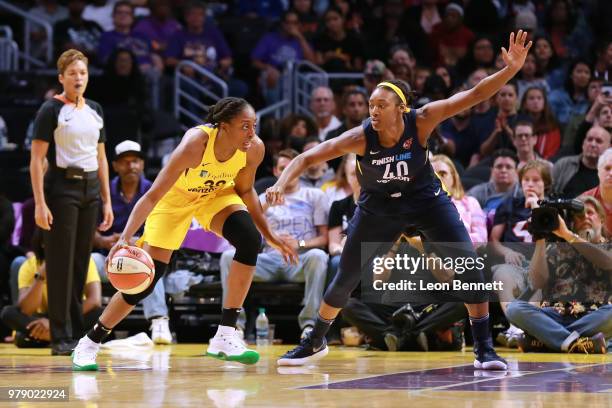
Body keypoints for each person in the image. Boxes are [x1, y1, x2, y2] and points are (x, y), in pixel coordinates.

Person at [267, 31, 533, 368]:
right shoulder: (361, 137)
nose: (373, 111)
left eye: (381, 105)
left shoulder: (421, 121)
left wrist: (510, 70)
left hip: (427, 202)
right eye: (370, 105)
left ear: (400, 108)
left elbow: (474, 94)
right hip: (380, 208)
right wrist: (280, 181)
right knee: (345, 277)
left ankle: (484, 349)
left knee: (469, 269)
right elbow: (307, 158)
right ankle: (315, 340)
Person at [70, 97, 296, 371]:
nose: (252, 134)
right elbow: (153, 195)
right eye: (245, 126)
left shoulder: (253, 149)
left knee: (249, 239)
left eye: (254, 126)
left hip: (215, 196)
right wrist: (123, 238)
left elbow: (245, 191)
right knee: (144, 282)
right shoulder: (195, 144)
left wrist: (269, 235)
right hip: (174, 202)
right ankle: (89, 343)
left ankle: (225, 334)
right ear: (223, 126)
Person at [30, 49, 113, 356]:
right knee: (61, 264)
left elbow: (102, 157)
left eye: (83, 73)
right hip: (61, 188)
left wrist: (107, 200)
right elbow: (36, 160)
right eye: (73, 73)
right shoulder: (51, 110)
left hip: (91, 188)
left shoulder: (95, 109)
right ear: (61, 77)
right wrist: (40, 203)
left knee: (81, 262)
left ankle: (79, 333)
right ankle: (60, 335)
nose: (79, 78)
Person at [219, 148, 329, 339]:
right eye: (282, 168)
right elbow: (246, 232)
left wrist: (299, 243)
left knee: (319, 256)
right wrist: (267, 205)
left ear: (299, 170)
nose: (286, 172)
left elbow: (324, 238)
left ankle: (309, 325)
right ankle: (235, 325)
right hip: (268, 259)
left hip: (300, 260)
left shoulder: (314, 196)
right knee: (228, 257)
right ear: (276, 172)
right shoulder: (261, 199)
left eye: (291, 168)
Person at [506, 196, 611, 354]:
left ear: (602, 220)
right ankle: (575, 343)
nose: (586, 217)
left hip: (592, 316)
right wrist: (540, 239)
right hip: (553, 316)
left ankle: (546, 340)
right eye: (580, 215)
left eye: (591, 213)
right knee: (514, 308)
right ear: (571, 222)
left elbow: (607, 262)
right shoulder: (554, 247)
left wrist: (568, 235)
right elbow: (537, 282)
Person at [91, 140, 171, 344]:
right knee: (89, 262)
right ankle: (85, 321)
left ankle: (159, 319)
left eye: (135, 161)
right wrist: (104, 240)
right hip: (108, 256)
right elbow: (88, 232)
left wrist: (137, 242)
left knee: (152, 266)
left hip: (142, 253)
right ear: (115, 166)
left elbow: (164, 227)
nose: (131, 166)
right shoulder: (103, 192)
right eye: (125, 162)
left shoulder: (154, 190)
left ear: (142, 164)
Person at [0, 229, 103, 348]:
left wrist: (54, 323)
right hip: (43, 318)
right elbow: (26, 309)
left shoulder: (84, 261)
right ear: (43, 243)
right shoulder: (29, 265)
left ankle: (44, 338)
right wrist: (41, 276)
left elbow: (95, 300)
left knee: (102, 314)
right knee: (8, 313)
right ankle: (70, 339)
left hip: (73, 317)